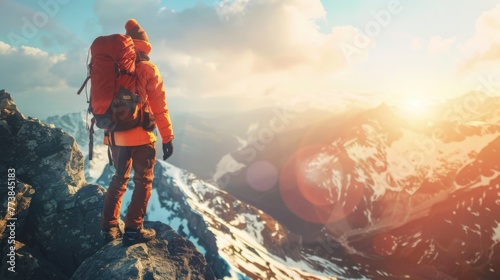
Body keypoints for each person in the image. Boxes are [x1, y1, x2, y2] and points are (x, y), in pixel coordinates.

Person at [100, 19, 174, 246]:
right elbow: (159, 106)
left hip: (116, 135)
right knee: (143, 181)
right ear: (145, 44)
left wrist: (109, 135)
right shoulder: (149, 69)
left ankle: (109, 228)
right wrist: (167, 137)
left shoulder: (114, 67)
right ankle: (133, 229)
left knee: (118, 180)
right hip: (143, 137)